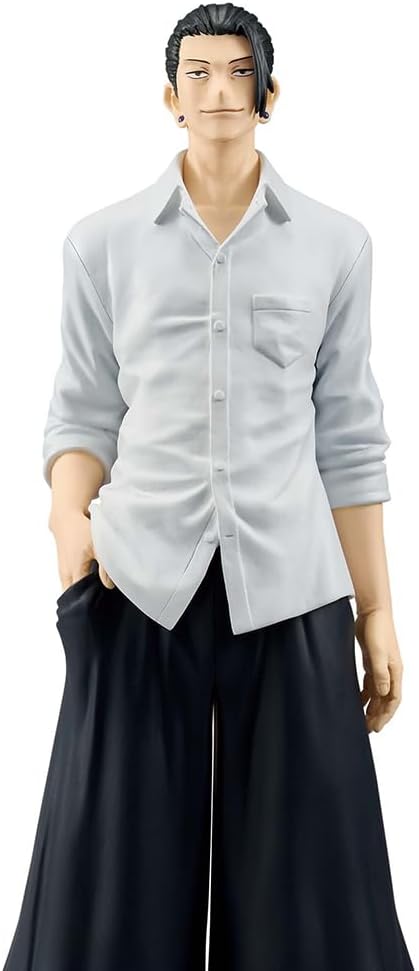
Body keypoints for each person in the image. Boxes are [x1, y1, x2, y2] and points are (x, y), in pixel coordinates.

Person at [2, 4, 415, 970]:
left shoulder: (336, 244)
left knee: (311, 880)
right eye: (198, 73)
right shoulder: (100, 243)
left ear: (270, 95)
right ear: (168, 96)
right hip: (136, 579)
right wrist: (71, 534)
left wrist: (377, 611)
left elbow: (348, 439)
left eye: (238, 72)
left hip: (292, 586)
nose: (219, 90)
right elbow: (80, 414)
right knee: (111, 870)